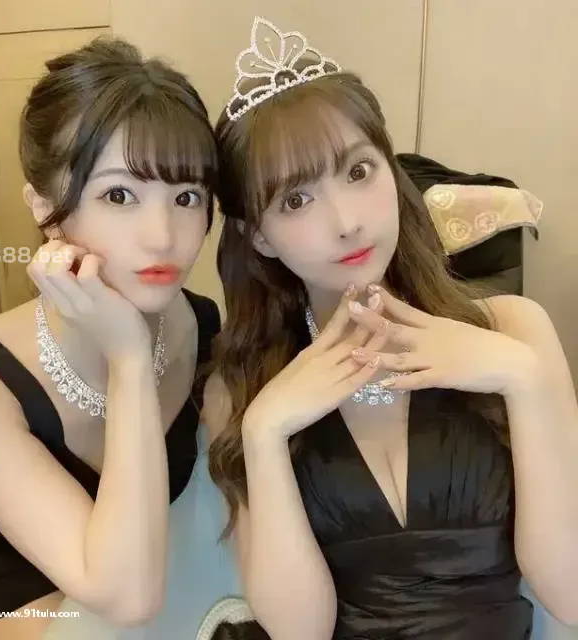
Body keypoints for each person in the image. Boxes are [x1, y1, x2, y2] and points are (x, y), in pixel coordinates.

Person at [203, 16, 578, 640]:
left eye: (358, 172)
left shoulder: (515, 330)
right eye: (296, 200)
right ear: (258, 236)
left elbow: (569, 593)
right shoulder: (241, 390)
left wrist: (522, 376)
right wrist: (265, 434)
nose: (346, 221)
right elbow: (300, 632)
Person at [0, 36, 221, 639]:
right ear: (45, 209)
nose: (162, 235)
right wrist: (130, 360)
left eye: (186, 196)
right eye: (119, 195)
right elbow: (127, 597)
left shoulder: (201, 323)